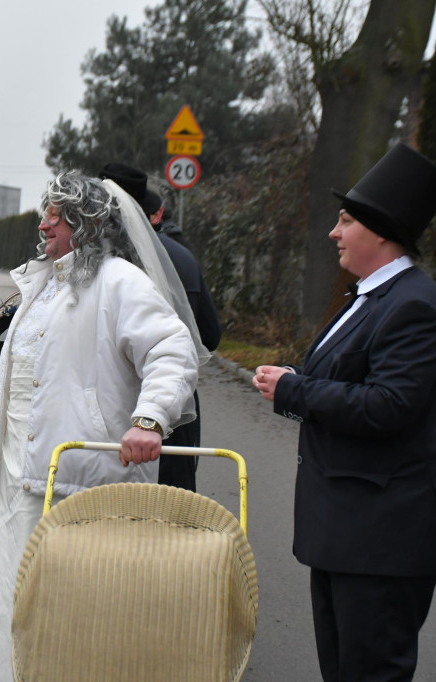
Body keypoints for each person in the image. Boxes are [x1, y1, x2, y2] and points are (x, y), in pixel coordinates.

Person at [0, 171, 203, 681]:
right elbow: (18, 387)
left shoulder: (120, 281)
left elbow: (172, 351)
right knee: (6, 606)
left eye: (54, 216)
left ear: (85, 222)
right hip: (19, 484)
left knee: (67, 624)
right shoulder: (44, 283)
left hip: (78, 487)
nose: (42, 224)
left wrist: (149, 419)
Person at [253, 143, 436, 681]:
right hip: (344, 531)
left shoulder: (415, 305)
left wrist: (295, 390)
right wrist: (297, 380)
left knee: (371, 672)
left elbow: (391, 405)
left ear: (381, 233)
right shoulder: (373, 296)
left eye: (346, 220)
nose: (335, 232)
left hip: (381, 542)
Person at [100, 162, 221, 491]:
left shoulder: (99, 264)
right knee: (172, 515)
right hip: (176, 413)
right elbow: (210, 335)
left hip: (121, 417)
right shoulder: (182, 257)